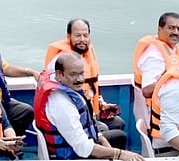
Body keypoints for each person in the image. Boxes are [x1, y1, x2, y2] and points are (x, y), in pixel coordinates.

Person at [34, 53, 146, 161]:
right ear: (59, 74)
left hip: (77, 143)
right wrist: (120, 154)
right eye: (73, 75)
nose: (80, 79)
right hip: (72, 159)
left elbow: (88, 122)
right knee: (120, 137)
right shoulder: (61, 103)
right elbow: (83, 148)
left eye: (82, 73)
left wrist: (101, 138)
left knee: (117, 129)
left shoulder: (67, 87)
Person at [44, 18, 127, 149]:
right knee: (117, 134)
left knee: (118, 123)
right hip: (73, 119)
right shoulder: (59, 62)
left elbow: (89, 87)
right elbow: (59, 100)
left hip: (88, 111)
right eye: (77, 36)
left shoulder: (86, 54)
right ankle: (108, 160)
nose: (82, 39)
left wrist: (101, 103)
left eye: (85, 35)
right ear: (69, 36)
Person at [132, 11, 179, 102]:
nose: (176, 32)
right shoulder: (154, 57)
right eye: (171, 28)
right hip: (156, 110)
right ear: (160, 29)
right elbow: (147, 90)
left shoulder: (172, 49)